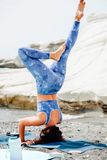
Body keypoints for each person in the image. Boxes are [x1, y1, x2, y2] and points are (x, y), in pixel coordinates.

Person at [18, 0, 86, 144]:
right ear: (45, 133)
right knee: (22, 52)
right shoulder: (42, 119)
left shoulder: (59, 119)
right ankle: (51, 55)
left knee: (67, 49)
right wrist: (23, 141)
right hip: (46, 85)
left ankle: (77, 19)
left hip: (58, 83)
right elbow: (22, 123)